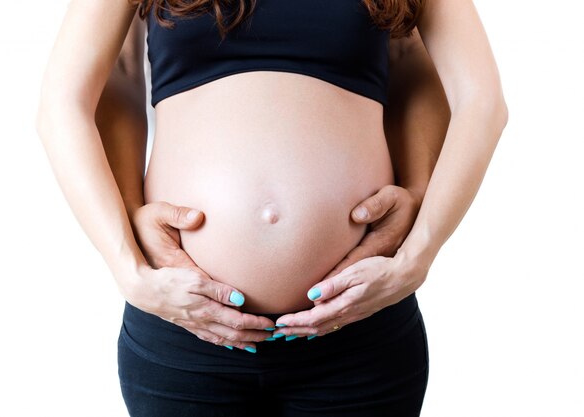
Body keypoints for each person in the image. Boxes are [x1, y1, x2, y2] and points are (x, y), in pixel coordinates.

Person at [37, 0, 507, 416]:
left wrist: (416, 249)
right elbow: (89, 91)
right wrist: (130, 264)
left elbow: (471, 96)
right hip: (184, 321)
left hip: (359, 324)